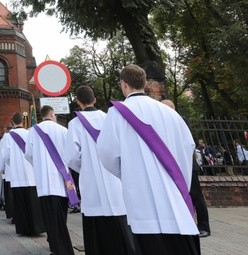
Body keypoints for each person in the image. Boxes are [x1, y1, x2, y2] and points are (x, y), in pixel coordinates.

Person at [97, 65, 200, 254]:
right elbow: (188, 147)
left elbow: (106, 153)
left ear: (123, 84)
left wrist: (127, 174)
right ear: (145, 83)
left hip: (142, 199)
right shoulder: (170, 113)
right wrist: (180, 181)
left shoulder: (117, 113)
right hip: (176, 195)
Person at [63, 85, 136, 255]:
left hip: (92, 182)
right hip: (115, 178)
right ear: (94, 99)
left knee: (96, 225)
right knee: (121, 220)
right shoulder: (109, 118)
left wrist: (86, 168)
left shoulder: (75, 124)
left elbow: (71, 157)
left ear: (78, 102)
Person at [26, 105, 74, 255]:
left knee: (50, 218)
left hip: (44, 184)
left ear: (42, 116)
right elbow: (71, 154)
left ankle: (56, 246)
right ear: (52, 114)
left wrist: (39, 165)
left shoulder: (33, 131)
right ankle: (61, 246)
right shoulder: (64, 130)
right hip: (62, 181)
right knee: (61, 216)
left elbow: (28, 154)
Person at [161, 99, 211, 239]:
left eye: (165, 107)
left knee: (195, 195)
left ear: (172, 107)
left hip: (188, 165)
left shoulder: (181, 120)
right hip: (174, 165)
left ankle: (204, 226)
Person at [0, 112, 45, 238]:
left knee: (20, 202)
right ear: (23, 121)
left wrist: (10, 165)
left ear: (12, 122)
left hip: (17, 176)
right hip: (32, 175)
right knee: (33, 201)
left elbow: (5, 156)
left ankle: (24, 228)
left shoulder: (7, 137)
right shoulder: (30, 133)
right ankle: (37, 227)